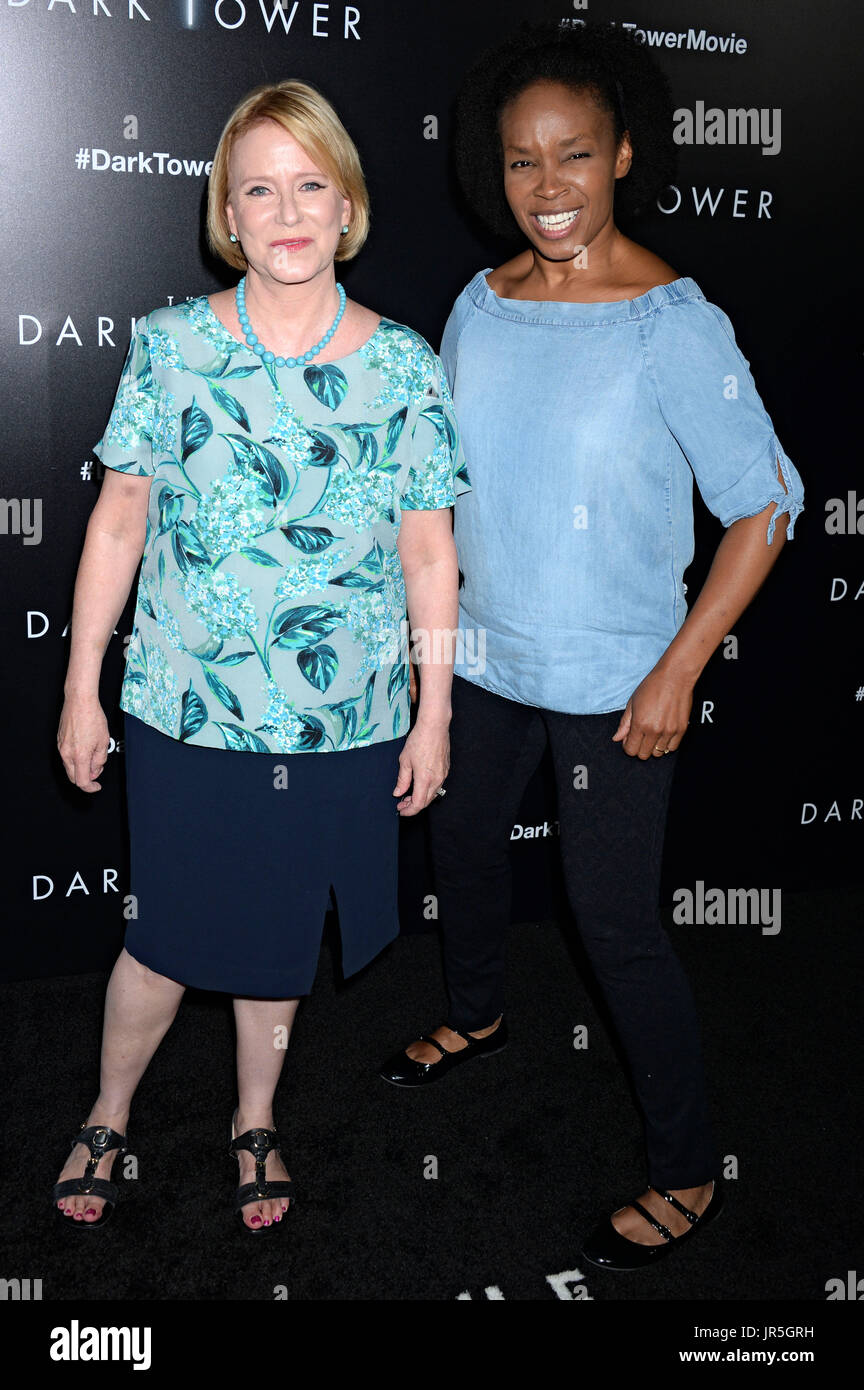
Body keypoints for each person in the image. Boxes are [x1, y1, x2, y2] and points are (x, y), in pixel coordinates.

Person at [378, 21, 804, 1270]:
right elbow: (448, 482)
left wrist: (677, 665)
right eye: (521, 163)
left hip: (620, 680)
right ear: (491, 172)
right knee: (460, 842)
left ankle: (688, 1170)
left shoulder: (673, 322)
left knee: (614, 922)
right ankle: (478, 1017)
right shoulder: (480, 300)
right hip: (486, 657)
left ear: (624, 154)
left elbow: (766, 505)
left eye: (573, 156)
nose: (548, 186)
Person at [53, 79, 469, 1233]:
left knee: (278, 944)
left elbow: (430, 554)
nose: (286, 212)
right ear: (227, 215)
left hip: (343, 723)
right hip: (187, 706)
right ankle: (108, 1106)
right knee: (164, 938)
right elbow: (119, 522)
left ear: (348, 205)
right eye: (258, 190)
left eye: (309, 186)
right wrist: (81, 686)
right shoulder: (171, 348)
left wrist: (433, 715)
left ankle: (254, 1118)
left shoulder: (403, 366)